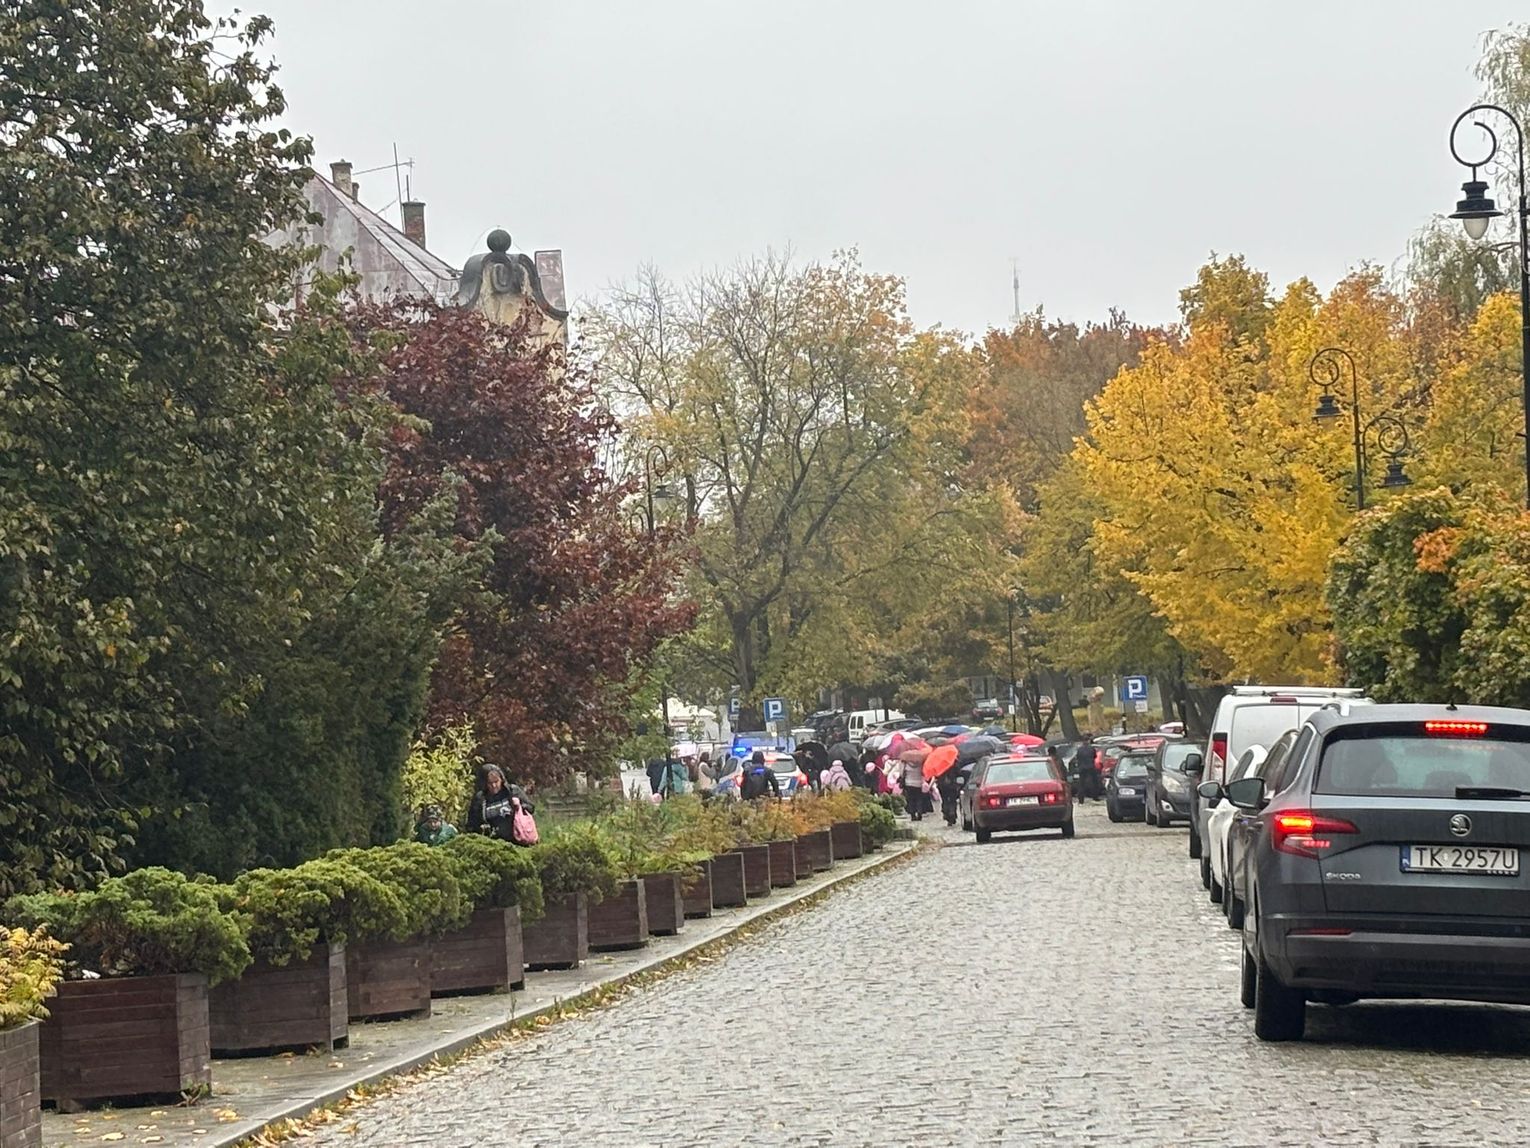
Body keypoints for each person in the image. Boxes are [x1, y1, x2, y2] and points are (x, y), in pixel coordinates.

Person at [467, 765, 535, 841]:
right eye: (490, 783)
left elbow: (531, 808)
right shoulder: (480, 798)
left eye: (496, 782)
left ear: (501, 780)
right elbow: (472, 823)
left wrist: (519, 805)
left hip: (516, 838)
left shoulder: (512, 791)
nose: (494, 786)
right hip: (491, 841)